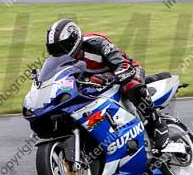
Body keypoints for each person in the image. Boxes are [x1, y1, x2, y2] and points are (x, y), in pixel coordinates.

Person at [45, 19, 171, 154]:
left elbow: (123, 66)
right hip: (95, 85)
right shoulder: (60, 62)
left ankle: (157, 126)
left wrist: (107, 77)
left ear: (73, 40)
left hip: (127, 71)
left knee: (131, 86)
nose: (58, 52)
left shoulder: (96, 43)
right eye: (53, 49)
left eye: (61, 47)